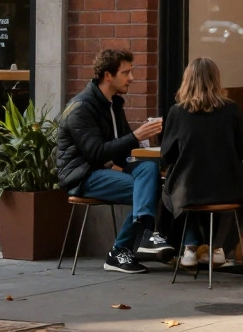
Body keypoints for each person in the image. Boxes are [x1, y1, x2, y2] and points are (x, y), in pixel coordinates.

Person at [56, 49, 173, 274]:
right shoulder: (82, 108)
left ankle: (138, 239)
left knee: (150, 171)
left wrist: (150, 150)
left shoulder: (113, 104)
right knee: (148, 188)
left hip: (104, 170)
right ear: (108, 76)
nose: (131, 78)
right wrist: (137, 135)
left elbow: (123, 152)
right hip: (83, 175)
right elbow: (97, 153)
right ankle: (127, 247)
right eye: (126, 72)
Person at [161, 58, 243, 269]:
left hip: (189, 190)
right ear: (216, 80)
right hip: (228, 189)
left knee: (176, 190)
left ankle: (189, 248)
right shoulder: (230, 109)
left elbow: (167, 156)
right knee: (229, 189)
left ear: (187, 81)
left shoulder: (177, 112)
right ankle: (218, 248)